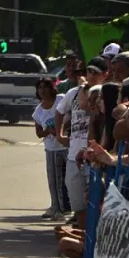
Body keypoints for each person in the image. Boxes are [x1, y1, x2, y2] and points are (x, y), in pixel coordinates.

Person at [55, 56, 107, 228]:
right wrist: (59, 134)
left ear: (104, 75)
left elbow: (85, 105)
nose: (90, 75)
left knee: (93, 197)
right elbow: (59, 111)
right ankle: (84, 233)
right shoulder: (73, 93)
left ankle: (91, 236)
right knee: (76, 199)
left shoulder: (102, 93)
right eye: (88, 71)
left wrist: (86, 87)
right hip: (73, 153)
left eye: (95, 72)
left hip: (92, 155)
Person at [32, 78, 68, 221]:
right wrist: (49, 131)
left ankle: (68, 208)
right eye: (39, 88)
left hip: (66, 146)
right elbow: (39, 132)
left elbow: (70, 115)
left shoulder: (61, 99)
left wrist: (61, 130)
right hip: (51, 148)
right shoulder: (38, 111)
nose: (42, 91)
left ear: (52, 88)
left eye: (45, 87)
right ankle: (56, 207)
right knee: (54, 179)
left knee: (68, 179)